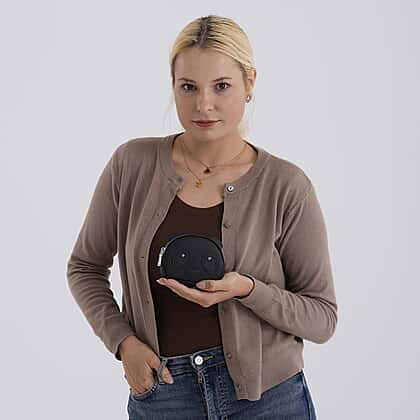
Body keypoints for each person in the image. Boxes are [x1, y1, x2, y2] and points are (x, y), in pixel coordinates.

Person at [67, 14, 338, 420]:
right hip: (164, 395)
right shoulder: (132, 164)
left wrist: (247, 290)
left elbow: (322, 318)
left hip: (268, 399)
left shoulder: (286, 185)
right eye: (188, 87)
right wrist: (123, 343)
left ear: (250, 83)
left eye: (222, 86)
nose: (204, 104)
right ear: (173, 86)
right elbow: (84, 267)